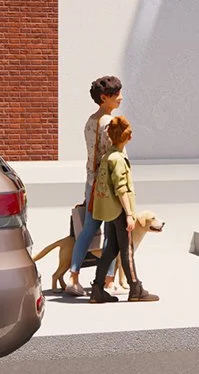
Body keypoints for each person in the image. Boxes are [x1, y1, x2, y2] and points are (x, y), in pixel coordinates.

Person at [86, 115, 158, 303]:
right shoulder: (118, 160)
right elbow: (121, 189)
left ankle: (97, 289)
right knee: (127, 251)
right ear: (128, 137)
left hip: (109, 212)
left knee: (110, 250)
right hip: (120, 212)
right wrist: (129, 214)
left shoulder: (107, 157)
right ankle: (136, 288)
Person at [65, 75, 123, 298]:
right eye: (116, 94)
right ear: (104, 97)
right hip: (106, 185)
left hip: (91, 182)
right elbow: (113, 155)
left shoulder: (90, 120)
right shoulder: (109, 122)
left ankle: (74, 277)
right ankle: (108, 281)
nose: (120, 98)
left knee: (88, 230)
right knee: (111, 231)